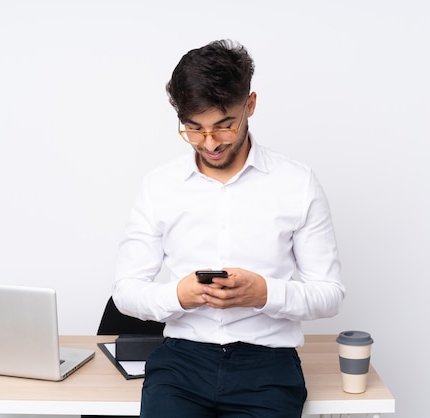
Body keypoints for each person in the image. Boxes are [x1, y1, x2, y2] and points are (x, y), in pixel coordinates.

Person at [112, 39, 345, 418]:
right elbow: (125, 291)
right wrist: (178, 296)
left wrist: (264, 293)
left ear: (249, 105)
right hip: (180, 365)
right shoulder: (159, 186)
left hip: (268, 367)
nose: (209, 143)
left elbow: (330, 294)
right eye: (193, 128)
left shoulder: (297, 183)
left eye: (224, 126)